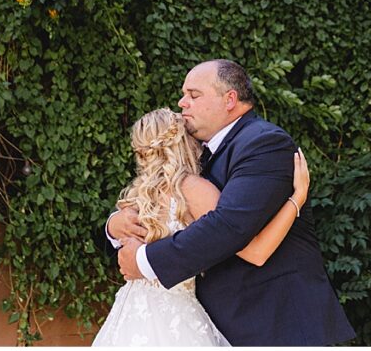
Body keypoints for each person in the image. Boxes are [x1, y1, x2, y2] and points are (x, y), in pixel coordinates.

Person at [107, 60, 355, 346]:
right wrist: (115, 226)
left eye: (193, 94)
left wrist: (145, 260)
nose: (182, 102)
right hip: (205, 323)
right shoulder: (192, 157)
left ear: (230, 99)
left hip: (275, 324)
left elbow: (228, 227)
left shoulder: (263, 143)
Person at [93, 107, 310, 346]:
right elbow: (255, 251)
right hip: (177, 317)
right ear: (185, 142)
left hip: (131, 313)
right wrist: (297, 198)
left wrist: (113, 225)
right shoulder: (193, 188)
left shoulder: (139, 194)